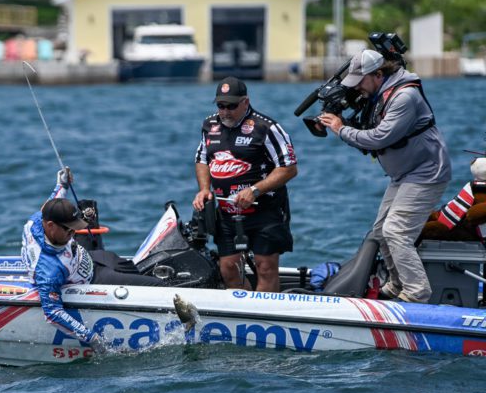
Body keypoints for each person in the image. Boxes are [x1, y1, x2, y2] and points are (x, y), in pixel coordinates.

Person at [318, 49, 451, 304]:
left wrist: (341, 129)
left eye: (360, 82)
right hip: (404, 174)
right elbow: (368, 132)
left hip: (426, 173)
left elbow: (380, 138)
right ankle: (396, 284)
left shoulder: (404, 97)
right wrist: (341, 121)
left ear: (378, 74)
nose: (357, 88)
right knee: (380, 232)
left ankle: (417, 294)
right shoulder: (379, 94)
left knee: (396, 231)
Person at [21, 168, 164, 352]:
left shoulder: (36, 220)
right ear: (51, 226)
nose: (73, 233)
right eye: (69, 230)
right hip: (96, 280)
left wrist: (62, 184)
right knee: (157, 286)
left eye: (74, 229)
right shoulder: (48, 271)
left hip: (94, 258)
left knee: (136, 269)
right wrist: (91, 338)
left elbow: (51, 202)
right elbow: (53, 313)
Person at [193, 76, 298, 291]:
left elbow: (289, 168)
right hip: (227, 212)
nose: (225, 112)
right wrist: (204, 189)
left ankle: (266, 311)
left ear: (245, 102)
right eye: (221, 106)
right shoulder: (209, 125)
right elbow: (202, 159)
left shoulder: (266, 127)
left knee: (265, 267)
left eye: (231, 106)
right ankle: (245, 307)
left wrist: (255, 190)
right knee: (228, 268)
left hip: (265, 210)